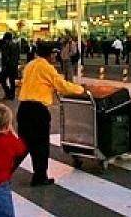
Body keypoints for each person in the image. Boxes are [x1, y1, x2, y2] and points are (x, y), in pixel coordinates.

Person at [16, 42, 85, 186]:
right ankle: (39, 177)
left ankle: (3, 172)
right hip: (38, 111)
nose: (56, 56)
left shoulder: (30, 65)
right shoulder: (47, 68)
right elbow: (63, 86)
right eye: (54, 53)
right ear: (49, 54)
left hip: (23, 108)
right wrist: (81, 90)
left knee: (23, 144)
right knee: (40, 146)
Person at [0, 32, 20, 100]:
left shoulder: (6, 46)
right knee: (12, 81)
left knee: (2, 79)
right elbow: (16, 57)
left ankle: (8, 93)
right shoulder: (16, 45)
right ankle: (11, 94)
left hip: (7, 66)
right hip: (13, 66)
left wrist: (4, 66)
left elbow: (5, 57)